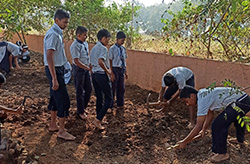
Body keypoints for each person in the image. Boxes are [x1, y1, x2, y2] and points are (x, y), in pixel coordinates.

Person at [177, 85, 250, 162]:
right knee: (236, 118)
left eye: (186, 101)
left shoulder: (202, 99)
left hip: (240, 101)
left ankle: (222, 153)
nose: (187, 104)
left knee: (217, 125)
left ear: (192, 96)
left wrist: (184, 141)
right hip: (244, 99)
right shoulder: (203, 94)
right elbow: (210, 114)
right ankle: (240, 139)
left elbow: (198, 125)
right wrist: (204, 130)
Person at [43, 9, 75, 140]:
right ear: (57, 20)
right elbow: (49, 56)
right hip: (54, 70)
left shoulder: (58, 33)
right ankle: (61, 131)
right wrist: (55, 78)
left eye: (67, 22)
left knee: (55, 97)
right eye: (64, 22)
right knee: (64, 100)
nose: (66, 25)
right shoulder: (53, 35)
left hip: (59, 68)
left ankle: (53, 125)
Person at [90, 29, 112, 130]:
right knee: (109, 98)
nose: (108, 42)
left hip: (94, 74)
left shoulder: (94, 48)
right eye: (107, 40)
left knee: (100, 97)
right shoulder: (103, 49)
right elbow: (100, 61)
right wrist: (108, 71)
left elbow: (91, 64)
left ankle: (99, 118)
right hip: (101, 74)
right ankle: (98, 120)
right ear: (103, 38)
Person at [70, 26, 92, 120]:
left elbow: (87, 56)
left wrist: (88, 66)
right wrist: (87, 67)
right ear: (78, 35)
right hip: (79, 69)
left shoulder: (85, 43)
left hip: (86, 68)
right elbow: (76, 61)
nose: (86, 37)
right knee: (80, 90)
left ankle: (83, 107)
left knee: (89, 89)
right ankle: (80, 111)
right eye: (84, 35)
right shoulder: (75, 46)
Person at [109, 31, 128, 109]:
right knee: (113, 87)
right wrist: (111, 72)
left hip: (121, 69)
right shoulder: (112, 49)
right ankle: (110, 104)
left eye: (124, 40)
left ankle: (120, 104)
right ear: (117, 39)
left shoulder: (123, 49)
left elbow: (124, 60)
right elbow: (110, 60)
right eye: (122, 40)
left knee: (121, 87)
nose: (123, 42)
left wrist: (126, 72)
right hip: (115, 68)